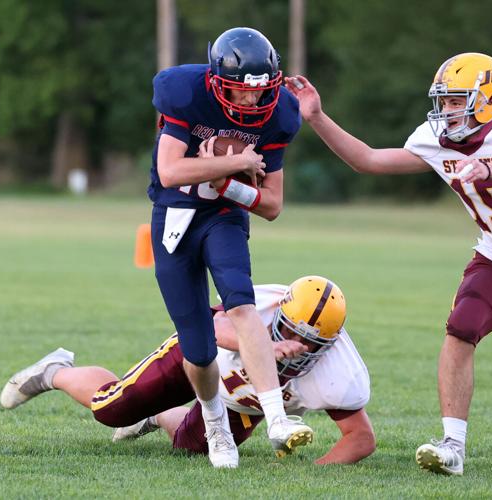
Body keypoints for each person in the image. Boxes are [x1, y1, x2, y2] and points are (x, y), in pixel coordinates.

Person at [285, 52, 492, 474]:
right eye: (444, 100)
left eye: (456, 100)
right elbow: (367, 160)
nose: (447, 110)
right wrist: (317, 117)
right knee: (460, 329)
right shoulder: (436, 140)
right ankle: (453, 446)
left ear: (488, 98)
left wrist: (487, 168)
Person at [147, 27, 308, 468]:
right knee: (197, 349)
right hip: (176, 216)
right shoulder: (186, 93)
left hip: (223, 215)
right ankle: (214, 419)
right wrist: (236, 161)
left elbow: (272, 205)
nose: (252, 100)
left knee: (241, 302)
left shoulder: (280, 115)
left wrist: (228, 187)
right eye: (241, 90)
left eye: (261, 90)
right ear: (217, 81)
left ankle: (277, 420)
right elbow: (170, 172)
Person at [0, 277, 375, 465]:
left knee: (190, 447)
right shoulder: (260, 306)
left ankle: (156, 415)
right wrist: (263, 347)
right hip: (200, 358)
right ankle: (53, 371)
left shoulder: (339, 371)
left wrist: (316, 470)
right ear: (278, 313)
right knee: (111, 409)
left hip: (240, 402)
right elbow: (212, 325)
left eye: (311, 342)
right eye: (290, 331)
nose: (298, 344)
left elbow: (361, 438)